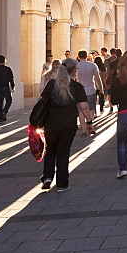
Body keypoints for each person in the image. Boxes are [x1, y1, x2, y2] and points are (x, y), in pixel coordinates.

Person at [40, 58, 93, 191]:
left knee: (50, 150)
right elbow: (84, 107)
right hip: (68, 124)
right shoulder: (77, 87)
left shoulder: (52, 85)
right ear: (74, 71)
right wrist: (89, 122)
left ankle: (47, 177)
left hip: (51, 123)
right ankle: (62, 184)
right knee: (63, 152)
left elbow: (42, 101)